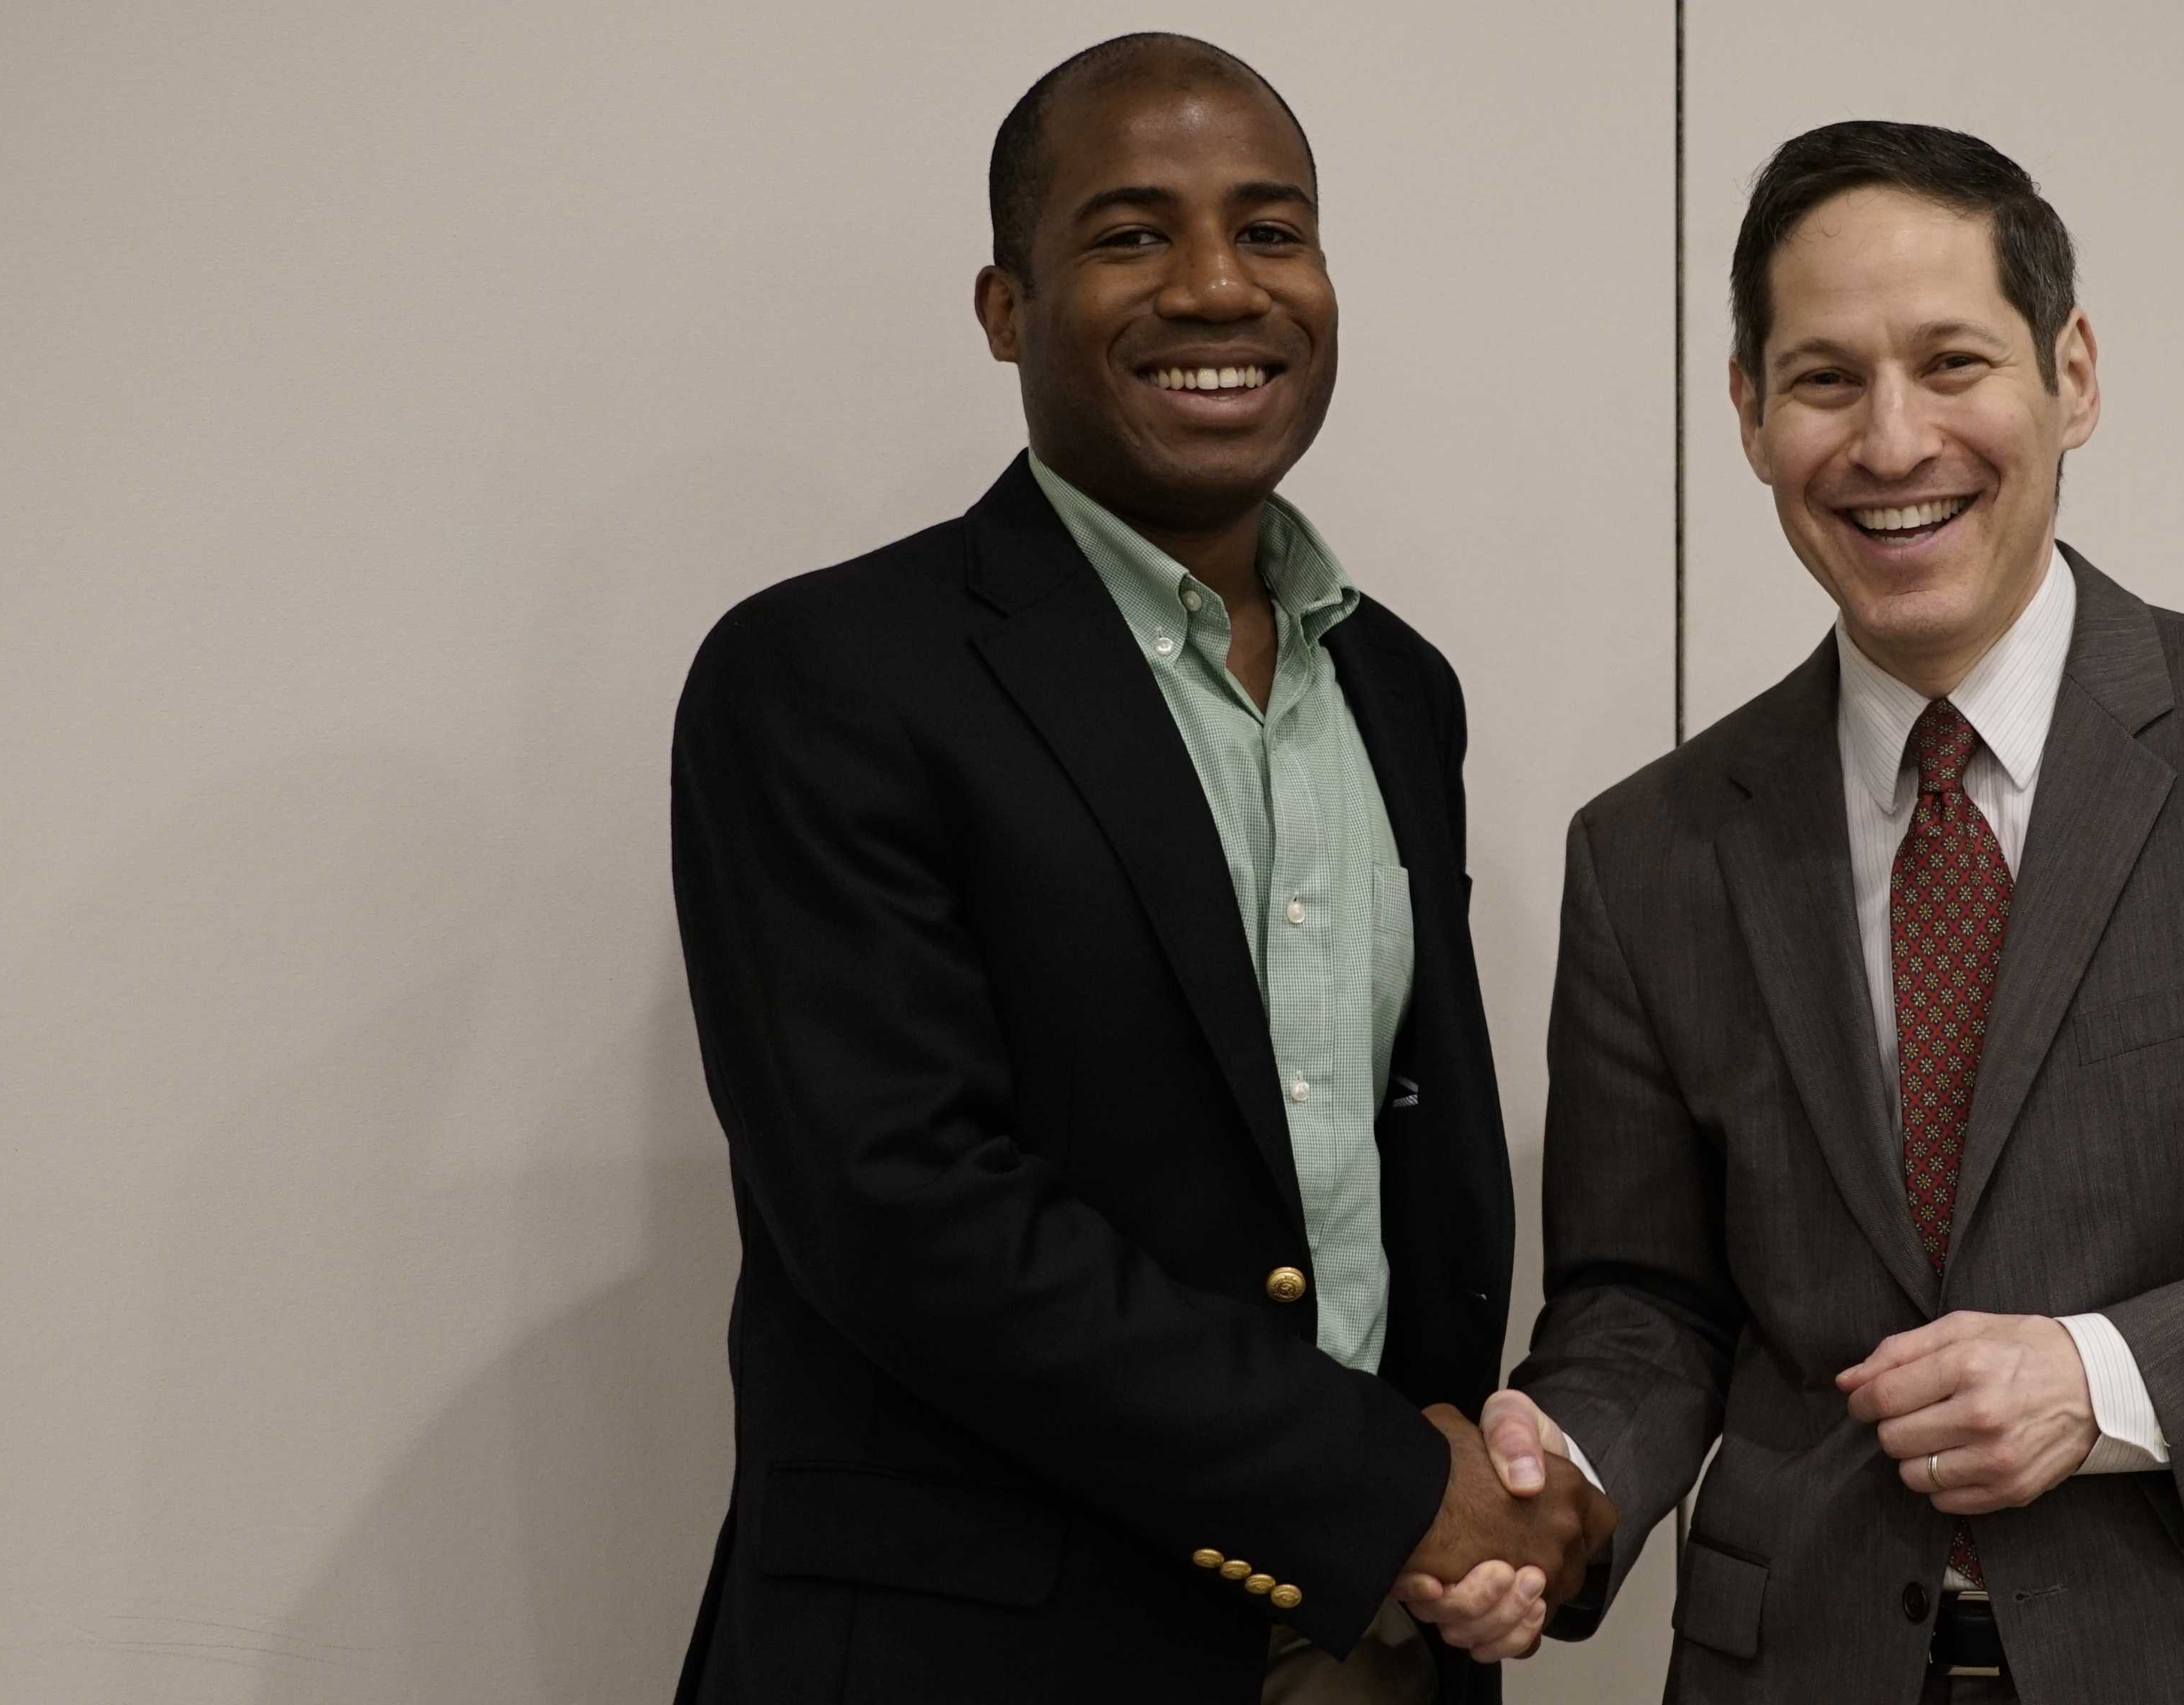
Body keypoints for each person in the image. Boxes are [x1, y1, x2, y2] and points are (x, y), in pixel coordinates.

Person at [1414, 120, 2184, 1701]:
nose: (1892, 443)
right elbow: (1646, 1300)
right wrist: (1568, 1480)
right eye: (1823, 379)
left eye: (1951, 362)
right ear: (1747, 412)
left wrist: (2104, 1379)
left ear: (2068, 375)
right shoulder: (1649, 848)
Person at [665, 33, 1610, 1704]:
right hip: (982, 1659)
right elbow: (904, 1213)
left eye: (1269, 229)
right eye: (1126, 234)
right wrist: (1386, 1486)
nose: (1213, 288)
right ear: (1004, 308)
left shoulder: (1399, 685)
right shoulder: (825, 673)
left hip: (1372, 1644)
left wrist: (1486, 1496)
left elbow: (1401, 1184)